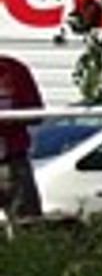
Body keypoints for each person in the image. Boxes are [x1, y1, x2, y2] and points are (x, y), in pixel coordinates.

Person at [0, 53, 45, 222]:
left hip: (13, 161)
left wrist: (11, 118)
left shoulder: (14, 69)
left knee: (28, 224)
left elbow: (37, 114)